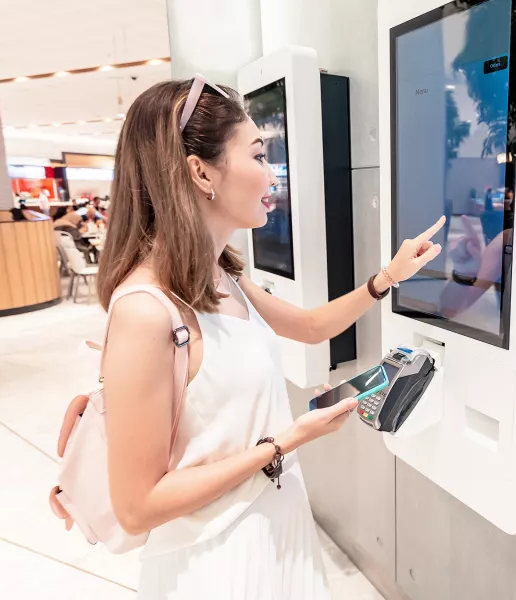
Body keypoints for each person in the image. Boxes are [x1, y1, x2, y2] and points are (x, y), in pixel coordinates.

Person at [49, 77, 443, 599]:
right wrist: (286, 441)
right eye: (258, 155)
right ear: (201, 171)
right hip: (216, 561)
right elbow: (138, 505)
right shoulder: (146, 311)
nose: (271, 173)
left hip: (277, 525)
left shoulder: (222, 275)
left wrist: (387, 277)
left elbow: (309, 326)